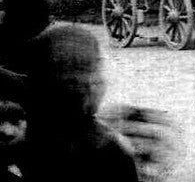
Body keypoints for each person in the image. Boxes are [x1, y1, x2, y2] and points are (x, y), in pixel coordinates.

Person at [20, 24, 139, 180]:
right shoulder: (108, 149)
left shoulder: (30, 134)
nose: (101, 80)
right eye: (96, 68)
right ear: (86, 83)